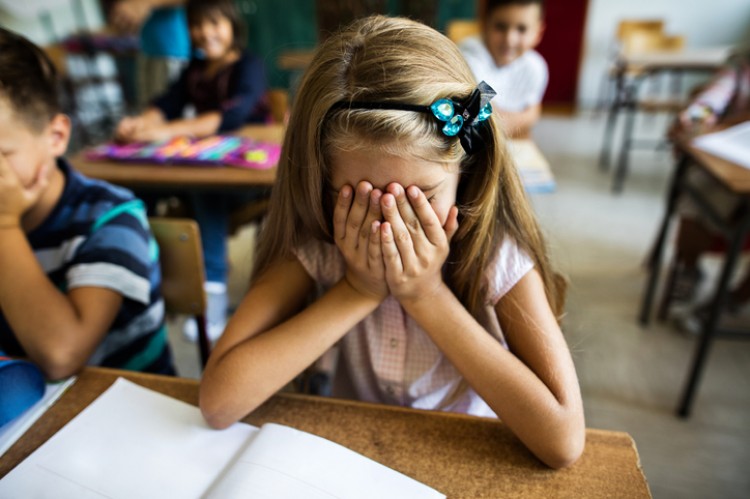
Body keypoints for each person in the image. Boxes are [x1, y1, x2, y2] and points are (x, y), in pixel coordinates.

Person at [199, 15, 584, 469]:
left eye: (421, 198)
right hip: (352, 463)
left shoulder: (494, 255)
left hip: (468, 463)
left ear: (467, 171)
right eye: (362, 198)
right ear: (321, 180)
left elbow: (562, 441)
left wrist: (425, 293)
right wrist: (357, 290)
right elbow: (219, 402)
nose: (391, 224)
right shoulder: (321, 243)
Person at [0, 27, 174, 380]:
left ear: (56, 137)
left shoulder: (112, 217)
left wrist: (3, 224)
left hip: (121, 415)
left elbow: (61, 355)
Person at [114, 0, 270, 341]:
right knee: (139, 190)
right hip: (206, 168)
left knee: (204, 188)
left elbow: (231, 116)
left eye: (214, 23)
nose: (205, 33)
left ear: (232, 26)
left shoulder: (250, 65)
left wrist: (165, 131)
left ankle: (212, 291)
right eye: (197, 25)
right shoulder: (194, 70)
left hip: (248, 180)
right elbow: (166, 103)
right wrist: (140, 124)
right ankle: (143, 269)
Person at [661, 49, 750, 321]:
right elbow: (711, 99)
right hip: (728, 166)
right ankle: (688, 268)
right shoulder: (740, 67)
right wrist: (694, 117)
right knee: (696, 188)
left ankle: (738, 296)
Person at [458, 0, 547, 138]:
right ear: (484, 23)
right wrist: (520, 119)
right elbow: (485, 118)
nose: (509, 40)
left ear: (538, 33)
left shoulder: (535, 67)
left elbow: (534, 113)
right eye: (501, 27)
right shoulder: (468, 56)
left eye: (521, 29)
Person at [106, 0, 191, 111]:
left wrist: (144, 3)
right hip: (147, 50)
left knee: (170, 114)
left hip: (173, 51)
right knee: (148, 111)